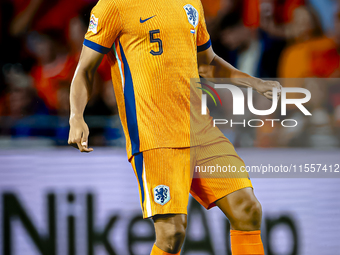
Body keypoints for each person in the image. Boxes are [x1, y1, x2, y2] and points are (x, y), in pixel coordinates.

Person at [68, 0, 280, 254]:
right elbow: (84, 70)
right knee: (171, 234)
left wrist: (254, 83)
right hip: (155, 136)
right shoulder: (113, 6)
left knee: (248, 210)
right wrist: (76, 116)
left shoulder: (191, 3)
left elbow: (207, 63)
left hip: (202, 131)